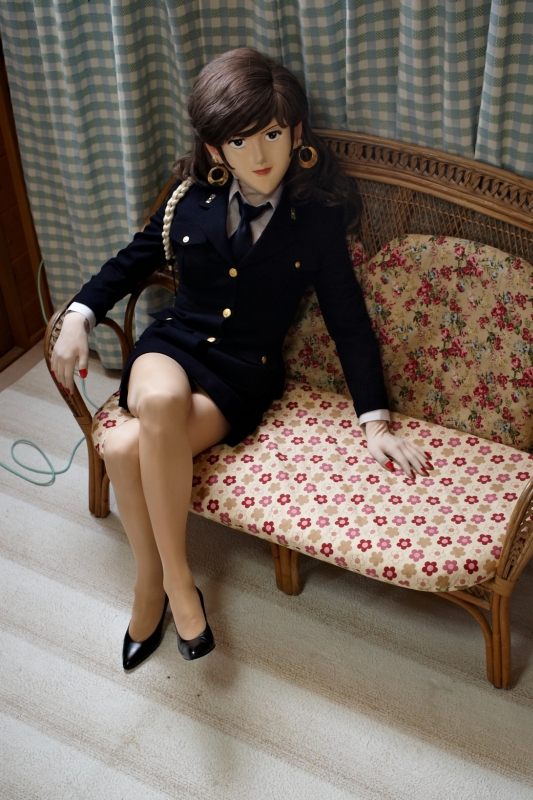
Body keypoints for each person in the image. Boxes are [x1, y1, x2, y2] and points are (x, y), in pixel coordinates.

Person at [51, 48, 432, 670]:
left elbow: (349, 322)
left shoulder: (315, 221)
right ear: (215, 148)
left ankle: (150, 583)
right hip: (170, 351)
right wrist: (78, 316)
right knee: (160, 400)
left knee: (121, 447)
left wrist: (375, 421)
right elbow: (129, 262)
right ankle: (175, 584)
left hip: (240, 378)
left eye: (273, 134)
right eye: (239, 140)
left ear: (297, 134)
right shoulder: (188, 200)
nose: (259, 155)